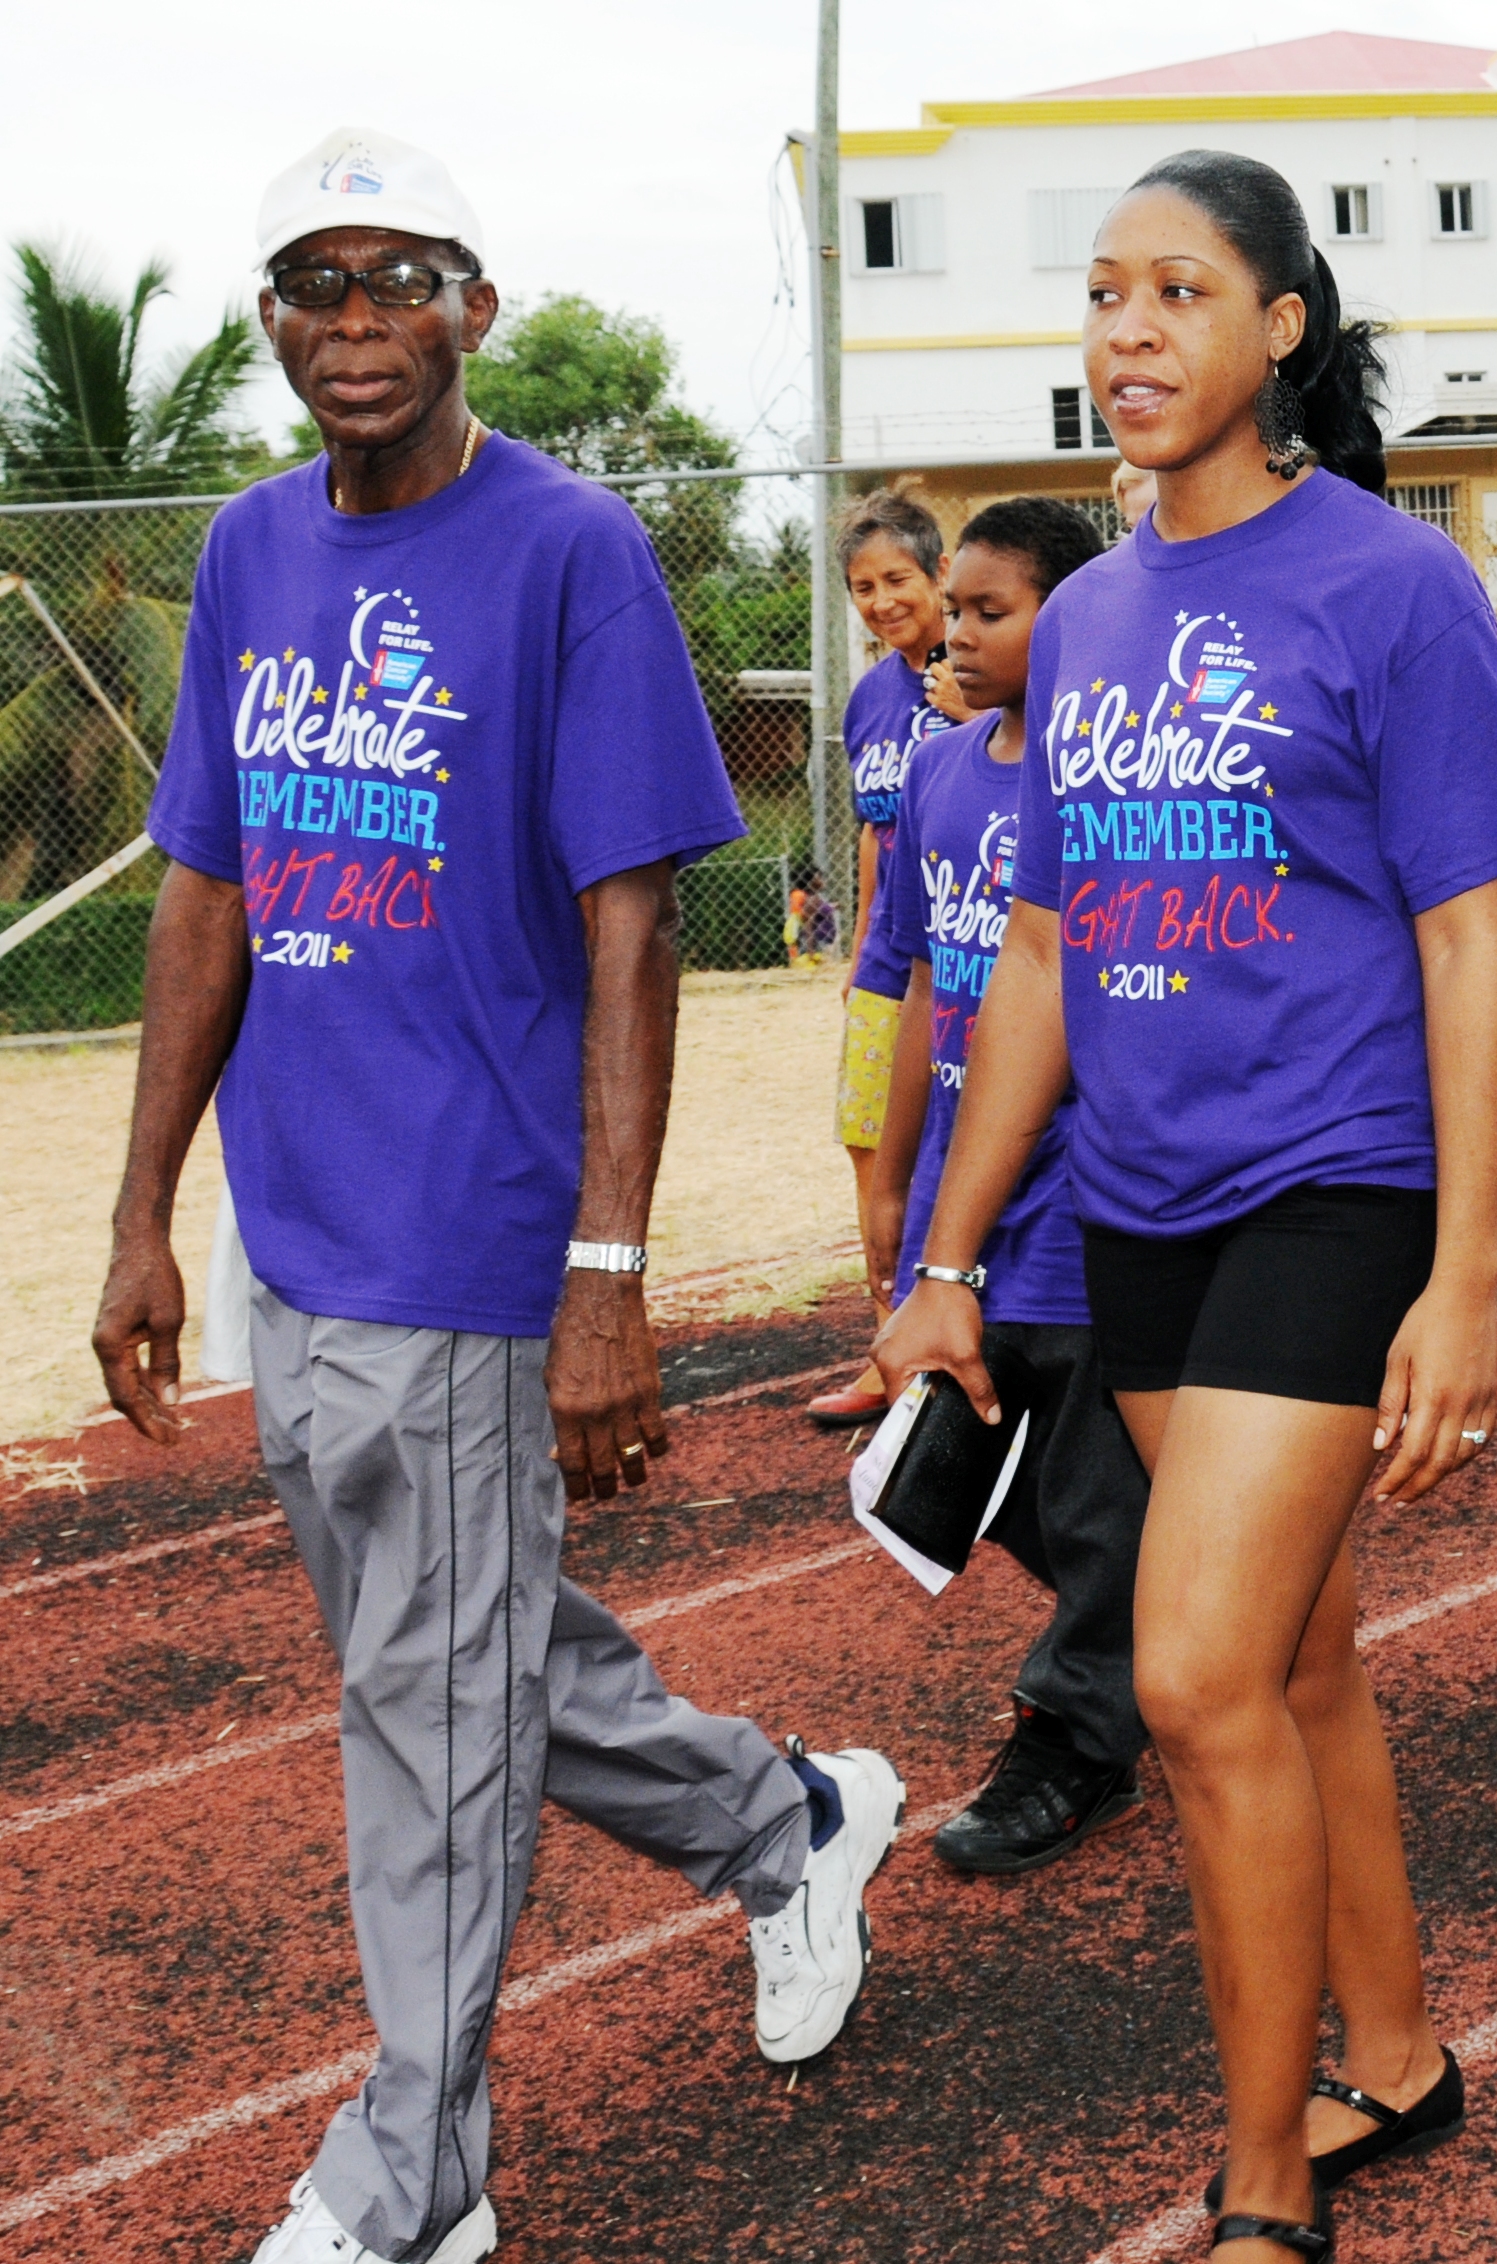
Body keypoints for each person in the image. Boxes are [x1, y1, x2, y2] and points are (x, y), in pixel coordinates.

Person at [90, 127, 900, 2264]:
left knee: (427, 1715)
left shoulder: (569, 555)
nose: (355, 323)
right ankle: (787, 1820)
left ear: (474, 304)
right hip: (297, 1227)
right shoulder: (255, 553)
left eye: (397, 279)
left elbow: (634, 922)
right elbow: (207, 892)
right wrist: (141, 1207)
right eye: (314, 284)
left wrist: (607, 1272)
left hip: (476, 1229)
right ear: (275, 320)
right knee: (460, 1666)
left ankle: (411, 2169)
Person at [870, 149, 1497, 2258]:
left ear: (1281, 328)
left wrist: (1460, 1270)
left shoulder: (1390, 586)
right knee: (1300, 1656)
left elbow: (1471, 937)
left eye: (1181, 288)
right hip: (1145, 1207)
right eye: (1102, 292)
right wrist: (946, 1256)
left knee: (1187, 1681)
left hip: (1333, 1189)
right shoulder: (1082, 616)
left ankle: (1266, 2186)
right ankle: (1403, 2050)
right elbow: (1047, 957)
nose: (1130, 328)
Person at [859, 496, 1155, 1869]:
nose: (958, 637)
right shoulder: (937, 771)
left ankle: (1078, 1737)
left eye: (993, 611)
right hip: (972, 1204)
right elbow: (926, 974)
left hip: (1090, 1200)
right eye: (955, 609)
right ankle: (1180, 1625)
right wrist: (901, 1182)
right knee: (977, 1483)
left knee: (1102, 1493)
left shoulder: (1117, 775)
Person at [816, 489, 967, 1430]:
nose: (879, 602)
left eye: (897, 580)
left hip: (976, 961)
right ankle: (891, 1353)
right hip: (892, 962)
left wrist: (967, 704)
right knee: (874, 1152)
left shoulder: (989, 665)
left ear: (940, 574)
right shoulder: (871, 697)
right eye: (862, 588)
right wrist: (866, 941)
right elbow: (879, 832)